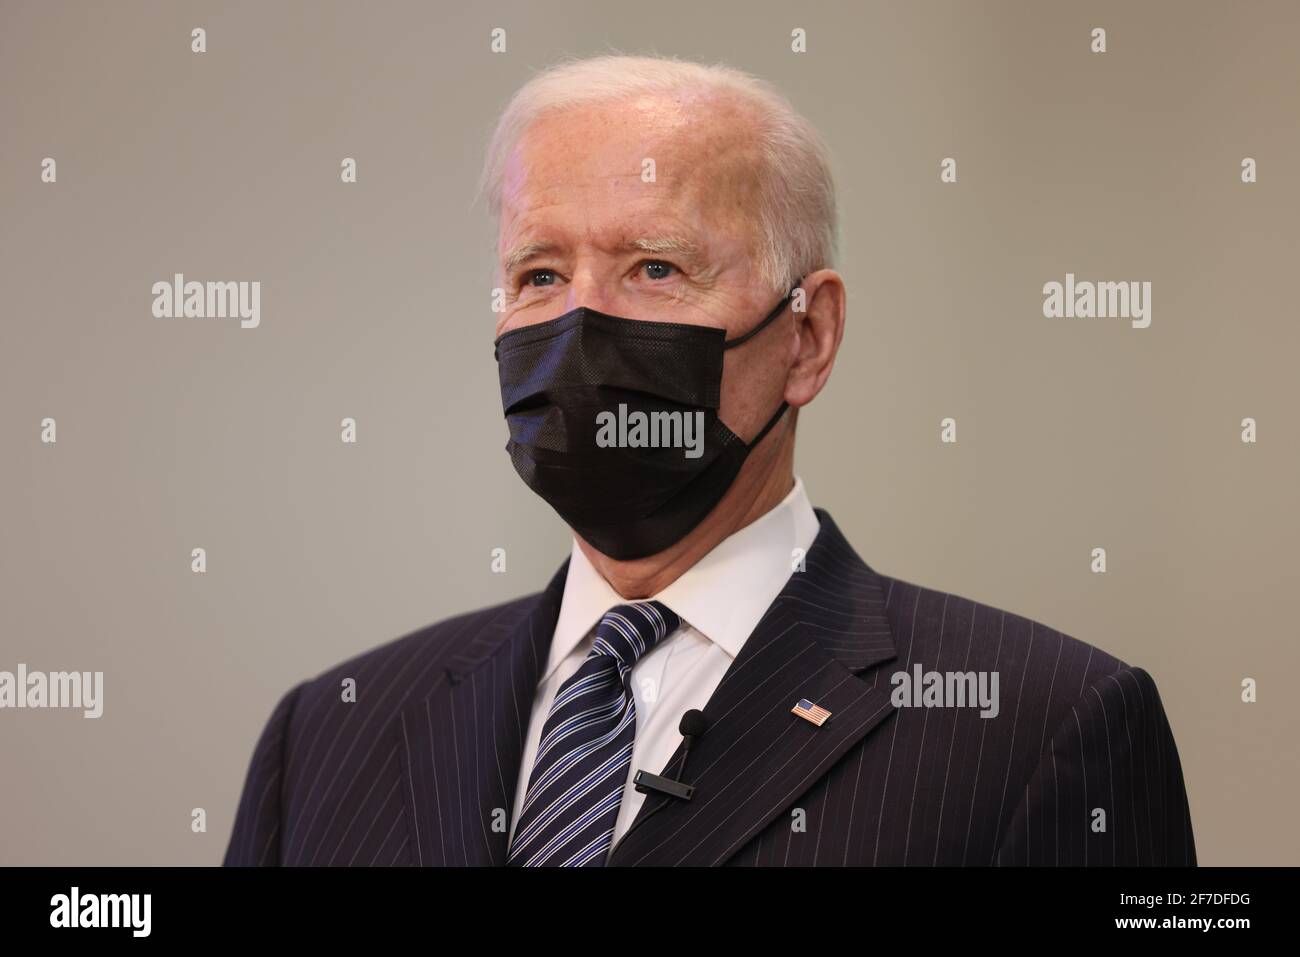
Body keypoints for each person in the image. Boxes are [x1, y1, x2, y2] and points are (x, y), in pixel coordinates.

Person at [224, 53, 1195, 867]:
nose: (577, 328)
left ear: (807, 339)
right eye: (540, 275)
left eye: (655, 269)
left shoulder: (1040, 726)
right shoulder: (329, 734)